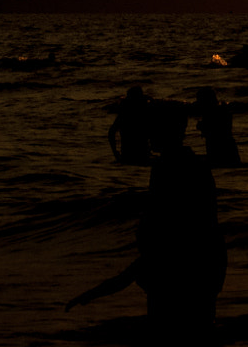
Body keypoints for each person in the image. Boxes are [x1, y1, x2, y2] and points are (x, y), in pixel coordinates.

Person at [72, 100, 225, 341]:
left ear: (167, 131)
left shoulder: (169, 169)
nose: (148, 133)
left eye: (153, 127)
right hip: (198, 271)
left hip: (176, 276)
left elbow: (171, 233)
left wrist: (117, 282)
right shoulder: (194, 166)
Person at [194, 86, 240, 167]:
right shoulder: (220, 111)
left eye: (200, 101)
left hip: (222, 151)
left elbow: (216, 132)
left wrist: (202, 126)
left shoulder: (214, 113)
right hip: (227, 150)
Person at [107, 85, 152, 165]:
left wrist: (115, 152)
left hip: (127, 156)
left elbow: (111, 132)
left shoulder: (124, 115)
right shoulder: (146, 114)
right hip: (142, 156)